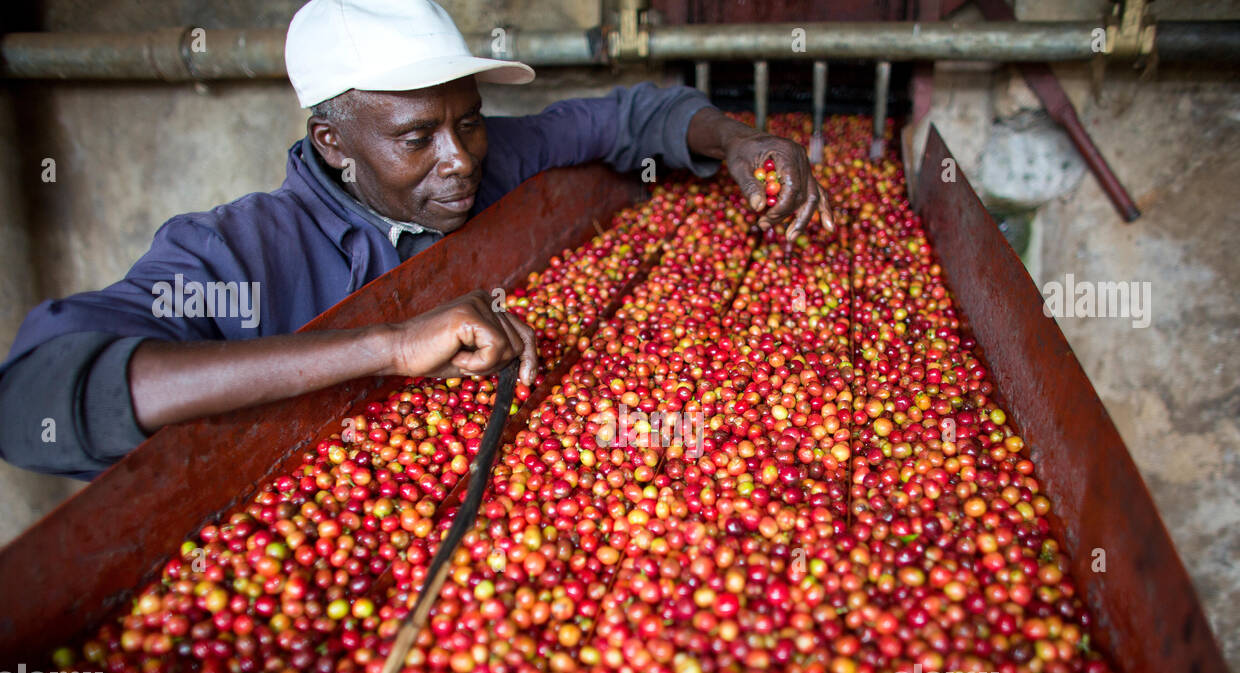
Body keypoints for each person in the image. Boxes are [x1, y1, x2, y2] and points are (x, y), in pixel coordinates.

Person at [0, 0, 834, 479]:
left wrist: (735, 140)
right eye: (415, 139)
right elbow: (32, 395)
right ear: (333, 142)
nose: (460, 162)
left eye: (467, 122)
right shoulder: (242, 251)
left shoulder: (492, 155)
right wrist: (391, 346)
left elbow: (630, 115)